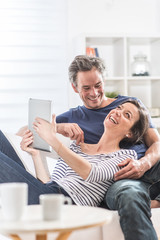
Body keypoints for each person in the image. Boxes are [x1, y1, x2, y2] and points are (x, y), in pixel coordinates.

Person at [0, 100, 154, 207]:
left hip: (64, 204)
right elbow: (48, 183)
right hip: (48, 195)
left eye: (127, 115)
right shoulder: (77, 147)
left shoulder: (125, 156)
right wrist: (35, 155)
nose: (118, 112)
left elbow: (91, 173)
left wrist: (53, 139)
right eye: (119, 108)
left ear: (130, 133)